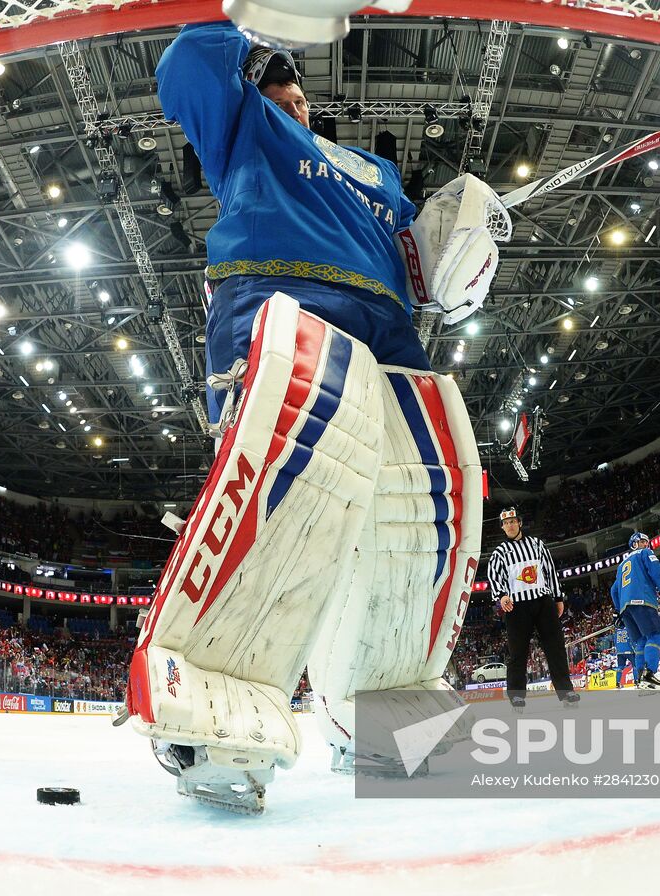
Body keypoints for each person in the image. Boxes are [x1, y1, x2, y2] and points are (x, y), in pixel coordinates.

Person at [124, 19, 505, 812]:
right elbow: (187, 65)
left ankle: (377, 707)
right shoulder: (244, 128)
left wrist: (455, 244)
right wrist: (241, 22)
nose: (294, 101)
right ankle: (216, 703)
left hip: (392, 330)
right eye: (278, 87)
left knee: (422, 501)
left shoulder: (375, 170)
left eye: (299, 94)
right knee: (296, 481)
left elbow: (422, 263)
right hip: (280, 300)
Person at [487, 508, 577, 707]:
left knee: (555, 648)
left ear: (519, 522)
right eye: (506, 523)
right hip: (516, 607)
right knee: (517, 652)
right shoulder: (499, 552)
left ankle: (566, 691)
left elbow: (550, 571)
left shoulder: (537, 544)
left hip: (543, 602)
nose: (509, 525)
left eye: (512, 521)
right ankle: (517, 695)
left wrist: (558, 598)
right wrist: (501, 596)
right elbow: (494, 577)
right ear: (502, 527)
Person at [610, 531, 660, 690]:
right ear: (635, 544)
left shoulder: (621, 566)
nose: (646, 544)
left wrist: (617, 610)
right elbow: (656, 572)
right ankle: (649, 676)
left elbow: (614, 590)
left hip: (625, 608)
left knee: (641, 641)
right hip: (642, 600)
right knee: (654, 635)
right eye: (643, 541)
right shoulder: (645, 553)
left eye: (646, 542)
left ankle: (641, 681)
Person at [613, 621, 635, 689]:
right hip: (629, 651)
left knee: (620, 668)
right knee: (635, 666)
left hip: (619, 652)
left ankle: (617, 683)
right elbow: (632, 639)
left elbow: (615, 642)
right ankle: (637, 681)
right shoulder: (629, 629)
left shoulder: (616, 632)